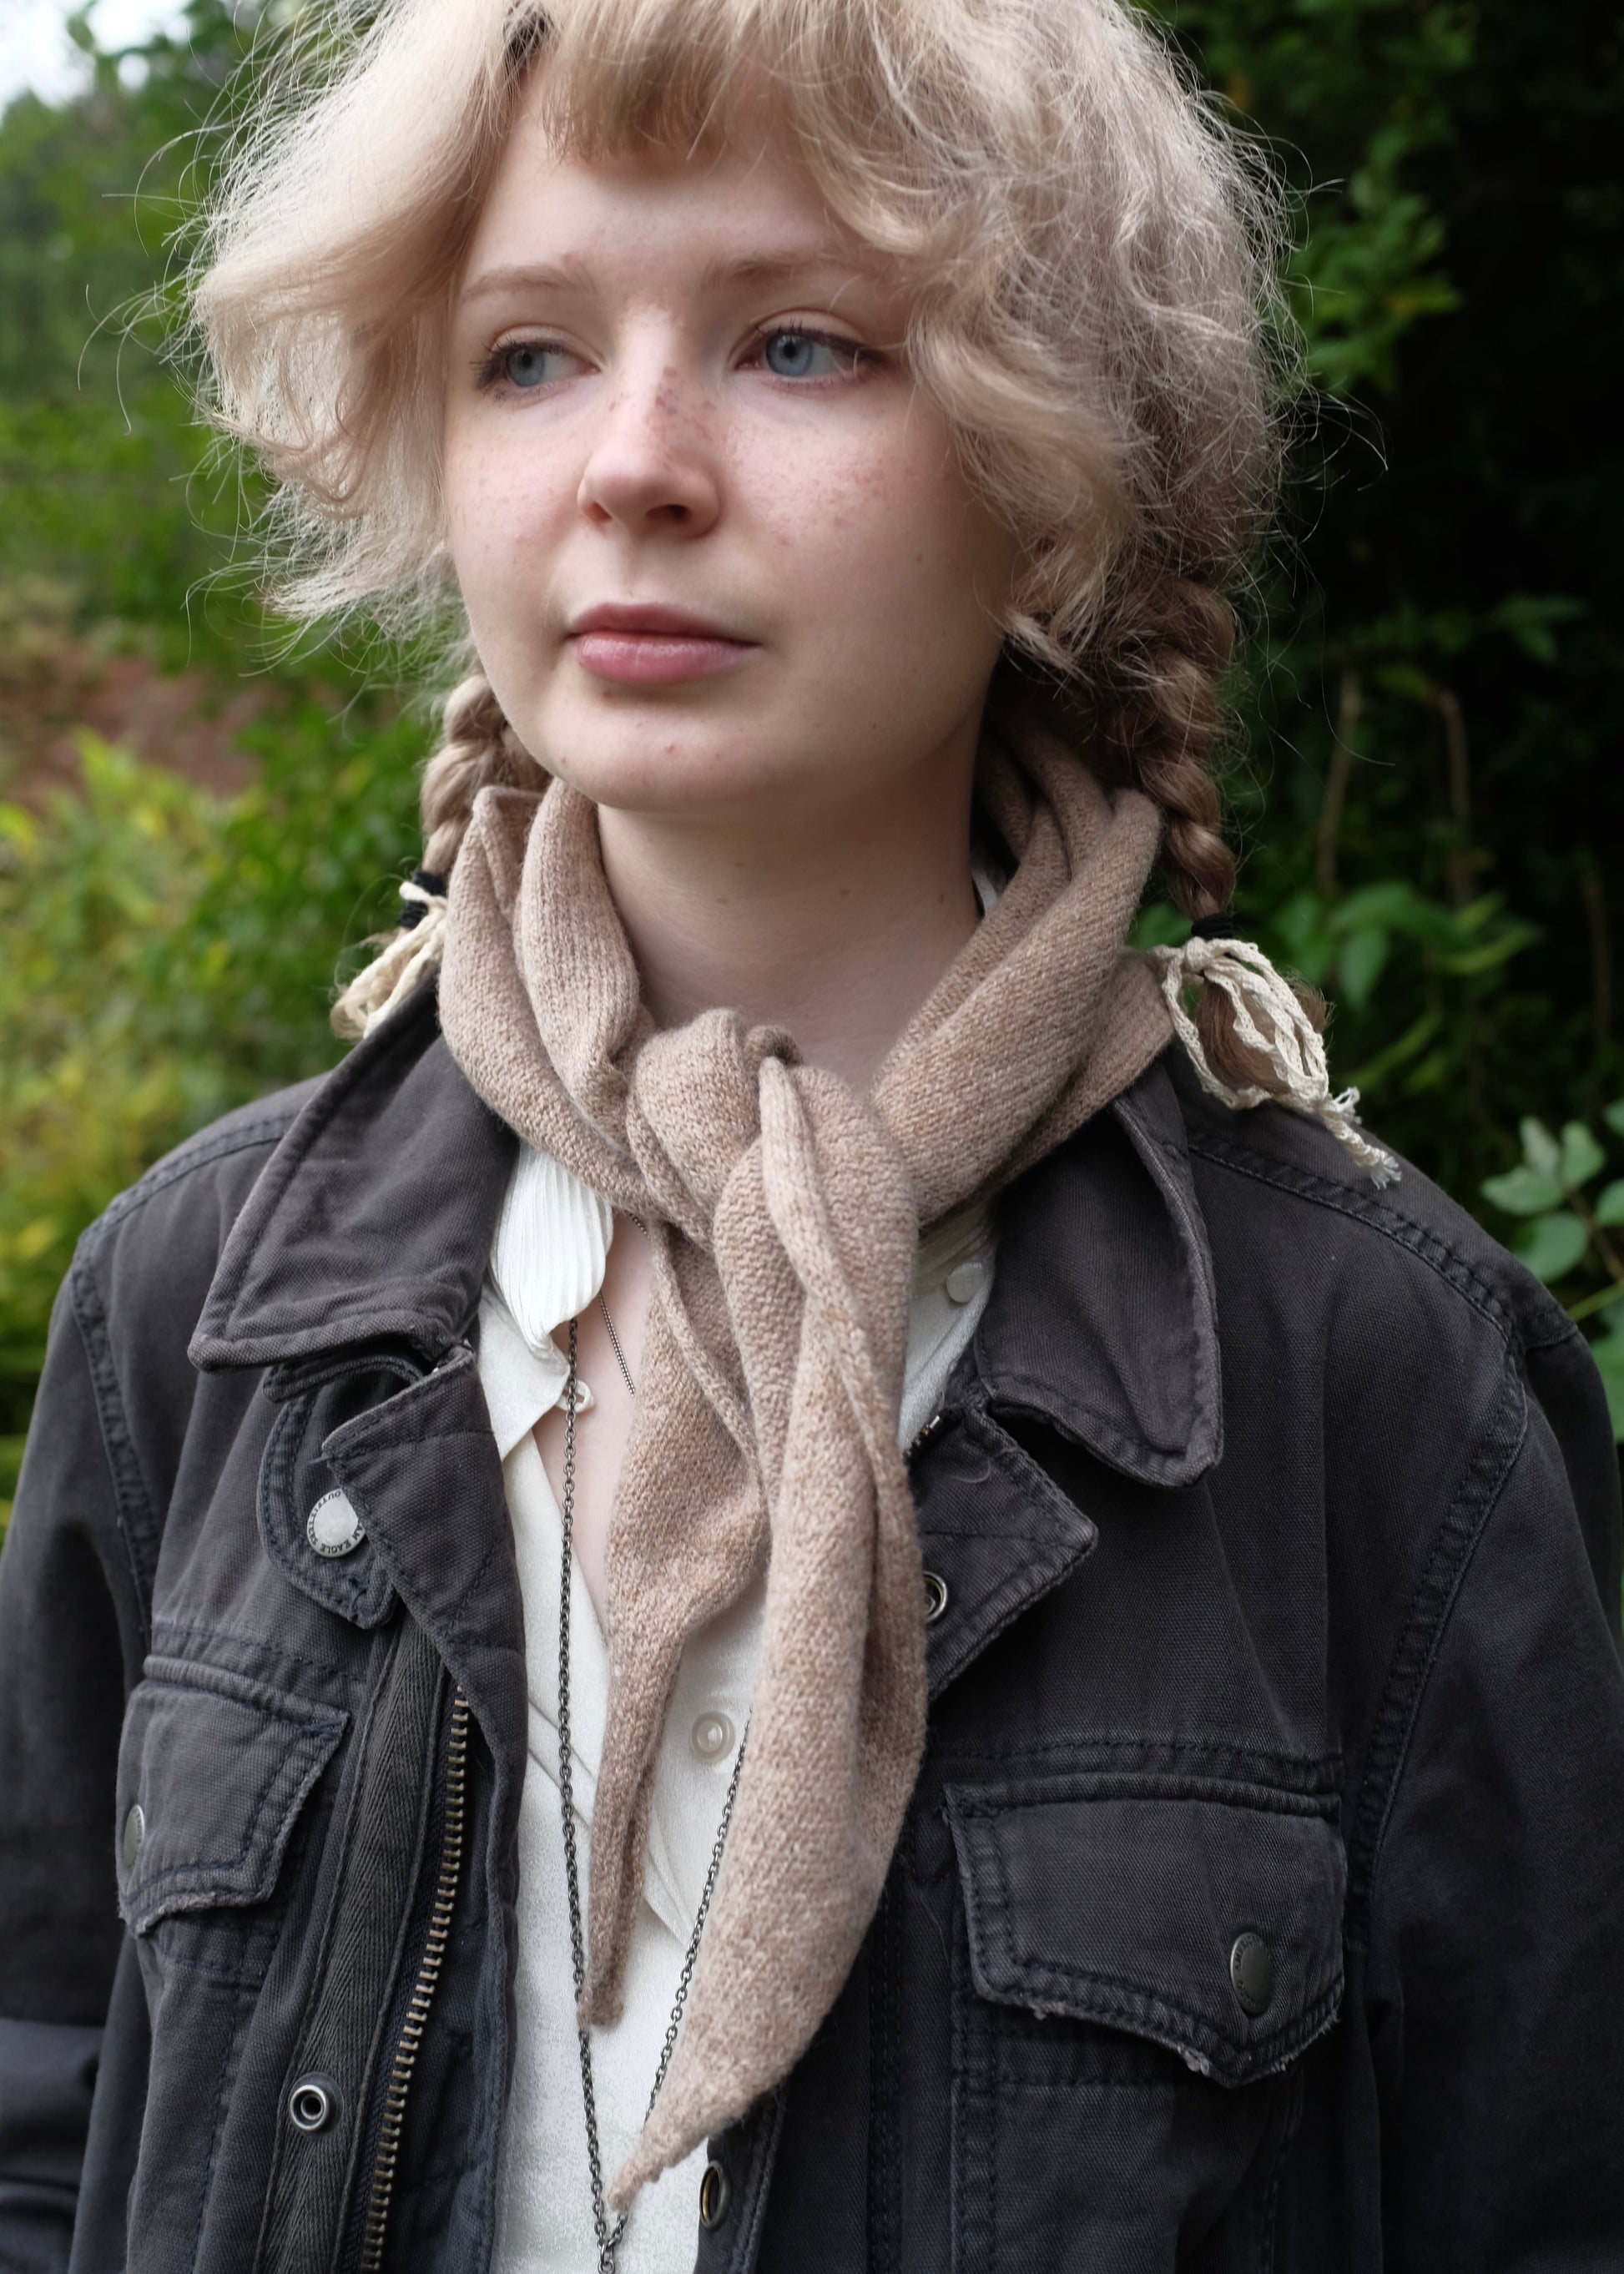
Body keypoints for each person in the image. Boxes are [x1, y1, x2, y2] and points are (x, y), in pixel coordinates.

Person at [3, 0, 1621, 2266]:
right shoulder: (194, 1316)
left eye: (797, 345)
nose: (633, 465)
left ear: (1051, 456)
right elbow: (47, 2140)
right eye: (529, 355)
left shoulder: (1382, 1386)